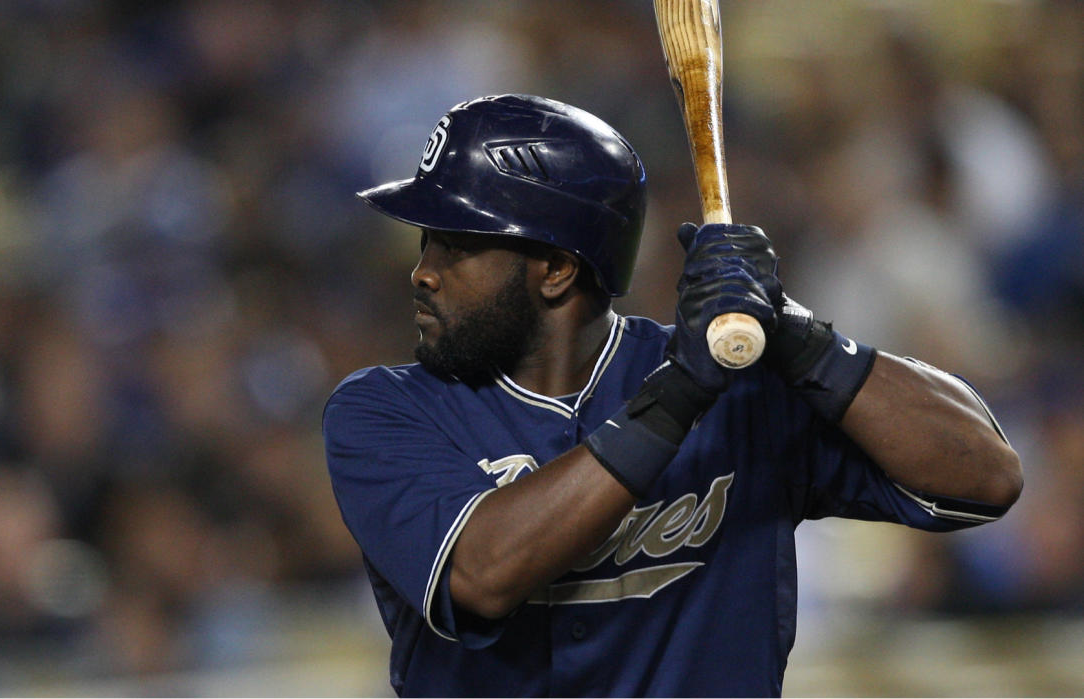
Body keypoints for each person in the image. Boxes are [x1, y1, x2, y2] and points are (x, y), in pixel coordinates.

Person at [322, 94, 1021, 697]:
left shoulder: (741, 391)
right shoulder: (382, 411)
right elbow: (482, 572)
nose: (422, 273)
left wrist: (798, 333)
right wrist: (678, 396)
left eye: (454, 245)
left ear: (558, 269)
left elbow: (984, 474)